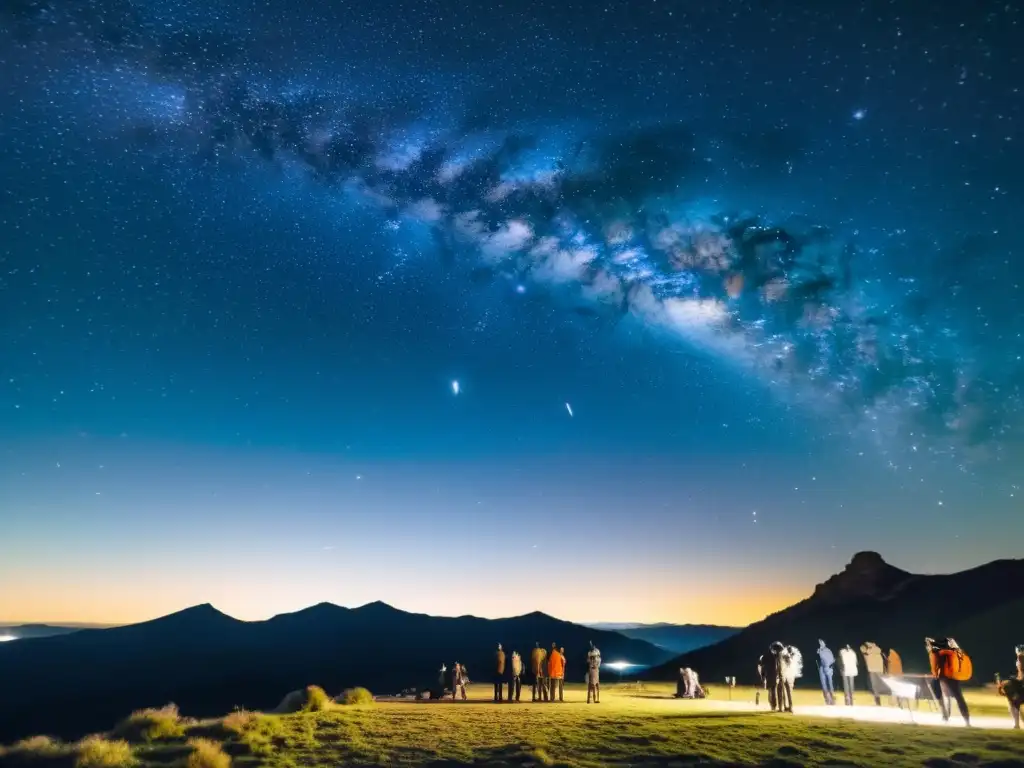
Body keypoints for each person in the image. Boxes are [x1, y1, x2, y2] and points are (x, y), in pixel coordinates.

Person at [929, 637, 971, 726]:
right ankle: (966, 721)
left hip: (944, 677)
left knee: (942, 695)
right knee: (958, 697)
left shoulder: (940, 653)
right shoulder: (954, 652)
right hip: (953, 677)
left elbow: (936, 666)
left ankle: (945, 716)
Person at [997, 645, 1024, 729]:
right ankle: (1018, 723)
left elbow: (1022, 675)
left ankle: (1017, 724)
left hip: (1022, 685)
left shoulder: (1020, 657)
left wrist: (1014, 680)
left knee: (1013, 703)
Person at [860, 642, 885, 706]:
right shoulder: (868, 652)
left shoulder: (876, 649)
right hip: (873, 669)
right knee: (874, 685)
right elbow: (863, 650)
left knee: (877, 684)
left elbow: (876, 650)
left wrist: (870, 647)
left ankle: (879, 698)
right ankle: (877, 699)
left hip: (877, 669)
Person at [816, 639, 836, 705]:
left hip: (828, 668)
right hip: (822, 667)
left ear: (824, 643)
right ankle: (827, 699)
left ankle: (832, 699)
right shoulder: (819, 650)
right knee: (824, 684)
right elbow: (817, 659)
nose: (820, 643)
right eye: (819, 642)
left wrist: (831, 667)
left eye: (821, 642)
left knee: (830, 683)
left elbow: (833, 660)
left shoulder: (828, 650)